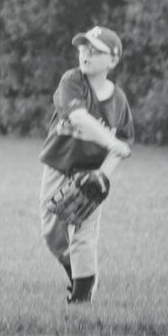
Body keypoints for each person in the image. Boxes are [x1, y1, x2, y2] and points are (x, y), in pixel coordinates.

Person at [38, 25, 134, 303]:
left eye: (95, 50)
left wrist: (102, 178)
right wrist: (109, 141)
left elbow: (124, 144)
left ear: (113, 61)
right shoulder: (72, 81)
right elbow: (78, 117)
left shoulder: (119, 102)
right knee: (52, 233)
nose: (86, 54)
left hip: (90, 173)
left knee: (85, 233)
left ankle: (82, 293)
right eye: (83, 48)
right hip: (59, 164)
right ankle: (73, 270)